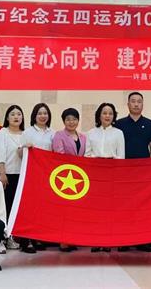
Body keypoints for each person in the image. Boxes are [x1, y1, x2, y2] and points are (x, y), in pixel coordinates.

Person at [114, 92, 151, 252]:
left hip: (143, 172)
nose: (136, 104)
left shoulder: (150, 124)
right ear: (128, 104)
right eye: (133, 101)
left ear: (143, 105)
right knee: (124, 205)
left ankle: (142, 240)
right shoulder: (119, 124)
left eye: (139, 101)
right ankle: (124, 240)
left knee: (142, 205)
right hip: (123, 172)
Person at [0, 105, 34, 253]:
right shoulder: (2, 133)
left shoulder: (26, 134)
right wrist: (2, 173)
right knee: (3, 208)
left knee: (16, 209)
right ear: (7, 118)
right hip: (5, 174)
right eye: (12, 114)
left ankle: (11, 238)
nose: (16, 117)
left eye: (19, 114)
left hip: (21, 176)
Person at [85, 102, 124, 252]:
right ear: (99, 115)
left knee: (109, 208)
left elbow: (121, 156)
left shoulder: (118, 133)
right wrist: (95, 160)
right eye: (104, 113)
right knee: (96, 208)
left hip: (112, 173)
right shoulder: (91, 133)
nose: (107, 116)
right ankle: (96, 240)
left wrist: (113, 162)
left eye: (110, 113)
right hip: (95, 174)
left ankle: (107, 241)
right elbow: (87, 154)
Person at [51, 108, 87, 252]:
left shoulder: (83, 137)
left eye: (74, 119)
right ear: (63, 121)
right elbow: (59, 155)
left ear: (78, 120)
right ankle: (63, 241)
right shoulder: (59, 135)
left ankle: (73, 238)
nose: (71, 122)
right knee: (64, 210)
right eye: (68, 119)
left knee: (76, 210)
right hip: (64, 176)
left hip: (79, 177)